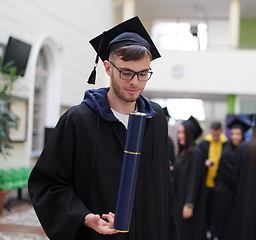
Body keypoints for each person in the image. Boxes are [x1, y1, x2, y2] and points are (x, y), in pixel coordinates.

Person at [28, 16, 177, 240]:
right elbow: (48, 184)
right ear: (108, 68)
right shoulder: (78, 120)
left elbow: (165, 190)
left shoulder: (154, 119)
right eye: (126, 73)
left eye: (143, 73)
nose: (135, 82)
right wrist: (85, 217)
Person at [214, 117, 251, 240]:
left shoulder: (246, 152)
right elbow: (231, 177)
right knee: (226, 226)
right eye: (233, 134)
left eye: (238, 134)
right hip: (226, 195)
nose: (235, 137)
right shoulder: (227, 153)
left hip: (238, 195)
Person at [172, 116, 207, 240]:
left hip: (188, 202)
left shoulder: (195, 153)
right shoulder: (184, 153)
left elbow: (194, 178)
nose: (180, 135)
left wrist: (189, 203)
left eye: (183, 132)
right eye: (179, 132)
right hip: (181, 199)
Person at [199, 121, 227, 240]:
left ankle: (213, 235)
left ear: (220, 131)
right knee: (203, 211)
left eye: (217, 134)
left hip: (218, 185)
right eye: (214, 134)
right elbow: (199, 159)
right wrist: (205, 162)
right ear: (211, 131)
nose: (216, 137)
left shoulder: (225, 145)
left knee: (215, 212)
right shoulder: (204, 144)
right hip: (205, 183)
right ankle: (202, 233)